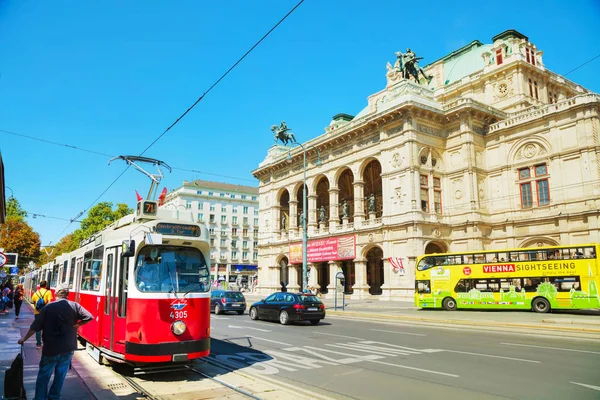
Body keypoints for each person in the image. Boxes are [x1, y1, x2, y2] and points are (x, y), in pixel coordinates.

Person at [18, 283, 93, 400]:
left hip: (51, 347)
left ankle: (40, 398)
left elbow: (35, 327)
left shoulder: (48, 307)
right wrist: (78, 324)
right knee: (61, 374)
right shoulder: (74, 306)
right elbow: (89, 316)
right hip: (68, 347)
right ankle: (54, 397)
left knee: (44, 374)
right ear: (67, 294)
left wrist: (24, 339)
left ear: (56, 293)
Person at [32, 281, 53, 348]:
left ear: (40, 286)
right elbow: (50, 302)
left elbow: (33, 302)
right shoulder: (48, 292)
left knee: (38, 329)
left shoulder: (35, 293)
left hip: (37, 313)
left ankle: (38, 344)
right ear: (46, 285)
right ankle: (46, 343)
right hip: (46, 313)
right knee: (46, 328)